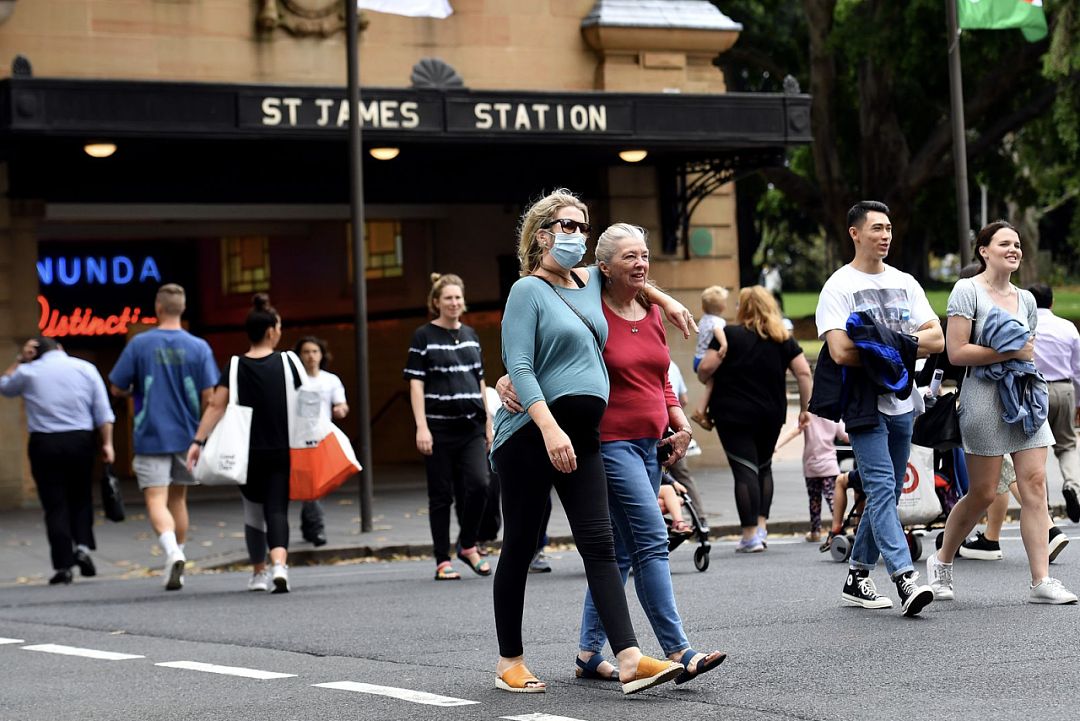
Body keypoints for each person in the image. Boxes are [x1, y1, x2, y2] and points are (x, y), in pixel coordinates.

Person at [490, 190, 694, 695]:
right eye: (566, 225)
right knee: (518, 545)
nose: (576, 235)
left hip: (585, 438)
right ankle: (509, 661)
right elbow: (518, 367)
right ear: (542, 235)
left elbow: (634, 276)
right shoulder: (526, 292)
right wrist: (549, 427)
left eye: (582, 226)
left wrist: (665, 300)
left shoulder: (589, 280)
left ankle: (626, 657)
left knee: (601, 546)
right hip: (531, 436)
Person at [927, 221, 1077, 605]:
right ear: (984, 250)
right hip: (982, 397)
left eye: (1018, 244)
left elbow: (1027, 352)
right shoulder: (967, 290)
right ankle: (942, 560)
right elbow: (957, 352)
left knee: (1035, 485)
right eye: (1005, 243)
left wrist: (1017, 355)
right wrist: (1010, 352)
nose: (1014, 249)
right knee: (980, 493)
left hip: (1025, 395)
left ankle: (1040, 580)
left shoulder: (1026, 299)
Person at [813, 200, 942, 617]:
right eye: (876, 229)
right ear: (855, 233)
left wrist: (878, 341)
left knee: (881, 493)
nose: (885, 236)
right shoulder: (838, 286)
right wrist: (904, 343)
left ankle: (856, 576)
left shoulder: (906, 281)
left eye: (888, 228)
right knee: (884, 489)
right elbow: (840, 350)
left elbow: (937, 338)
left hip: (904, 401)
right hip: (864, 402)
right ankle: (905, 578)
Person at [108, 284, 219, 591]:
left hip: (150, 432)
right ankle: (179, 556)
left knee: (155, 498)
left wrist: (134, 392)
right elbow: (209, 396)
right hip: (187, 435)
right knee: (178, 499)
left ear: (158, 308)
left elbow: (117, 386)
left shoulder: (139, 344)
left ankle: (171, 552)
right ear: (182, 309)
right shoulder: (199, 347)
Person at [186, 293, 294, 593]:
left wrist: (198, 441)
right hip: (281, 449)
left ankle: (259, 573)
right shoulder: (288, 363)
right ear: (271, 331)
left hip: (245, 453)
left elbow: (215, 407)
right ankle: (280, 565)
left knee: (252, 512)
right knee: (277, 508)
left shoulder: (234, 366)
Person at [698, 285, 812, 553]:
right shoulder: (782, 337)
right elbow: (804, 373)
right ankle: (761, 528)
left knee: (744, 470)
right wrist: (806, 408)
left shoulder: (729, 335)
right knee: (763, 466)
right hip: (770, 413)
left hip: (732, 413)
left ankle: (749, 535)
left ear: (744, 308)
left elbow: (705, 370)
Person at [1, 336, 115, 585]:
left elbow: (4, 385)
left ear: (35, 353)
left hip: (45, 443)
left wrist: (20, 359)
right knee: (82, 497)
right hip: (80, 440)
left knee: (55, 503)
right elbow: (103, 411)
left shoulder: (28, 371)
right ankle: (83, 547)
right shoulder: (85, 368)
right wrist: (107, 443)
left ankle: (64, 565)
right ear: (60, 348)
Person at [404, 273, 493, 581]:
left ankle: (468, 545)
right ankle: (442, 559)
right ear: (436, 302)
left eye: (458, 298)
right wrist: (421, 427)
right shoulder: (423, 336)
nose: (454, 303)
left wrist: (489, 422)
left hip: (471, 427)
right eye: (448, 298)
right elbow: (416, 385)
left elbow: (479, 380)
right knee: (441, 496)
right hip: (439, 429)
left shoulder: (470, 334)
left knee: (480, 484)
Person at [1026, 282, 1080, 523]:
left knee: (1037, 448)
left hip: (1034, 390)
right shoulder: (1068, 328)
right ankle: (1073, 486)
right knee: (1067, 444)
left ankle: (1042, 504)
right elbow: (1078, 370)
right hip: (1065, 388)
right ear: (1052, 301)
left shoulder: (1024, 326)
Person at [293, 336, 349, 547]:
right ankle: (316, 529)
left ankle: (309, 527)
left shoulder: (330, 380)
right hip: (299, 437)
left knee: (313, 484)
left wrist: (340, 410)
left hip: (322, 437)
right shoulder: (294, 380)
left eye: (314, 352)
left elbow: (342, 404)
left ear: (322, 355)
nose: (311, 357)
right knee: (311, 483)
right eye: (306, 352)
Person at [776, 414, 847, 542]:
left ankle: (815, 532)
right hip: (829, 465)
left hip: (811, 466)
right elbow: (846, 437)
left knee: (814, 502)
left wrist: (776, 446)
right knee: (833, 499)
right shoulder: (833, 414)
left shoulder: (807, 415)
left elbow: (793, 432)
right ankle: (840, 528)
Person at [665, 357, 706, 515]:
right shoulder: (672, 364)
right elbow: (684, 399)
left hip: (658, 433)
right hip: (673, 430)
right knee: (683, 476)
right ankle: (700, 519)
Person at [689, 285, 728, 431]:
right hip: (707, 359)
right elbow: (717, 330)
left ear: (703, 307)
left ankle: (706, 412)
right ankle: (700, 411)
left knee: (711, 386)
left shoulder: (704, 320)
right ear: (723, 307)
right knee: (711, 386)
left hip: (697, 358)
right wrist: (724, 344)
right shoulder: (718, 322)